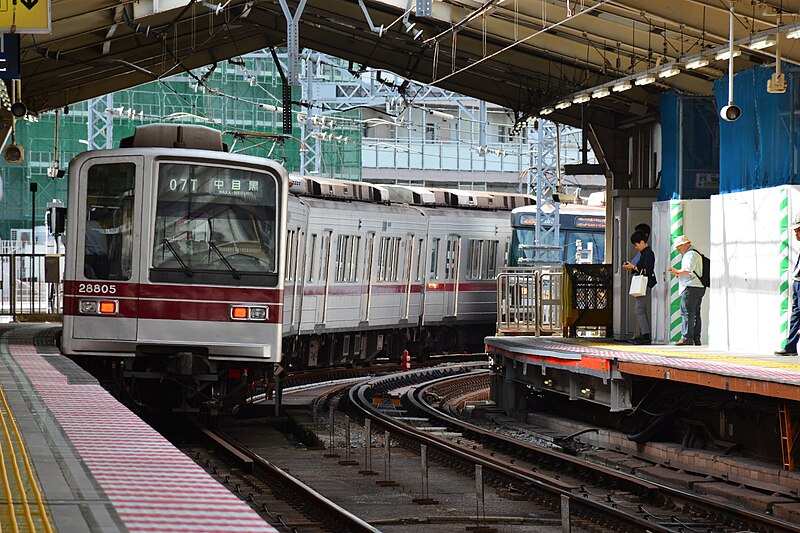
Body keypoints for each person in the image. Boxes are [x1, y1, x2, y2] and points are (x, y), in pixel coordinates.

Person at [668, 235, 705, 346]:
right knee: (695, 314)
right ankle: (695, 338)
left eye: (679, 248)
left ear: (685, 244)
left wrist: (677, 272)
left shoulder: (690, 254)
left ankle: (687, 337)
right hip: (698, 286)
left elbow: (688, 269)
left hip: (690, 287)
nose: (679, 250)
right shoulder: (695, 253)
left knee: (687, 313)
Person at [623, 229, 656, 345]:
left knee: (639, 310)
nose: (636, 247)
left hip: (645, 283)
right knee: (640, 309)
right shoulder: (646, 253)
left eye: (636, 245)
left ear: (642, 242)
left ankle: (645, 335)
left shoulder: (648, 254)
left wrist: (633, 267)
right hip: (646, 283)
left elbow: (646, 270)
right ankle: (643, 334)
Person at [776, 214, 800, 356]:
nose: (796, 233)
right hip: (797, 283)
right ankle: (790, 346)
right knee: (795, 316)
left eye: (798, 230)